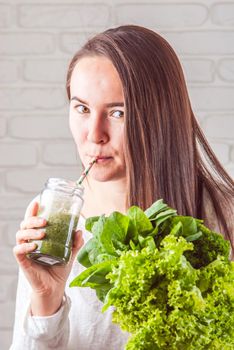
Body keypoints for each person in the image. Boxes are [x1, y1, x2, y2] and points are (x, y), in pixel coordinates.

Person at [11, 25, 234, 350]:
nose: (94, 134)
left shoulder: (223, 214)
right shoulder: (54, 217)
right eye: (82, 108)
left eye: (118, 112)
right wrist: (46, 299)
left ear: (160, 117)